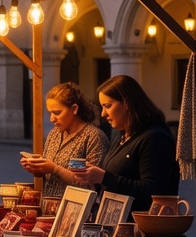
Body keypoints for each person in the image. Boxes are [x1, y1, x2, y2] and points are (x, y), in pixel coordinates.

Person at [71, 74, 179, 213]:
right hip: (119, 221)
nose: (103, 114)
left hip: (144, 227)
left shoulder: (155, 137)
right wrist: (94, 176)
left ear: (127, 103)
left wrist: (104, 177)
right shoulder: (124, 134)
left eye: (107, 106)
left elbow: (152, 191)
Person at [19, 82, 109, 202]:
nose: (52, 118)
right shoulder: (54, 134)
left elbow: (89, 184)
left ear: (74, 109)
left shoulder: (93, 137)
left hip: (76, 210)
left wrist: (54, 169)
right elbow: (50, 173)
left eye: (57, 112)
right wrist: (38, 168)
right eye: (50, 112)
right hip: (49, 208)